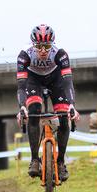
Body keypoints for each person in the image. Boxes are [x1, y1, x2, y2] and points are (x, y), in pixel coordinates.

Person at [16, 24, 79, 181]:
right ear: (33, 45)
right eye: (39, 46)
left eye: (47, 46)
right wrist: (22, 107)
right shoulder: (25, 55)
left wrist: (71, 104)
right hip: (33, 80)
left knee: (64, 118)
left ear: (53, 43)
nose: (43, 50)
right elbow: (21, 86)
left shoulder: (60, 54)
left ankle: (61, 162)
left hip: (55, 79)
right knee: (33, 111)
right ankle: (34, 160)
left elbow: (67, 81)